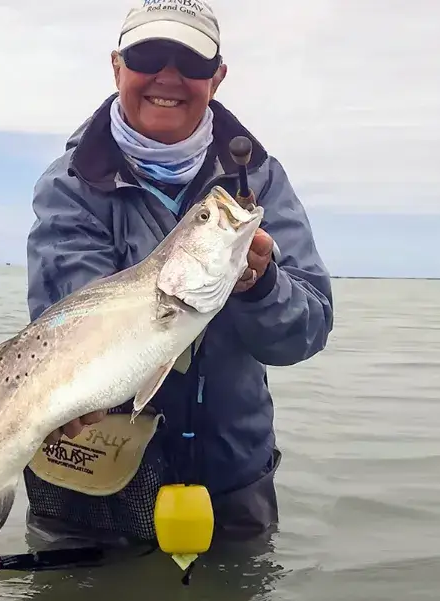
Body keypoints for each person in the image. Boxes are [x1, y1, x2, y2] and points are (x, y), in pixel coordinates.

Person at [22, 0, 334, 550]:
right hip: (92, 480)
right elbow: (73, 317)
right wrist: (83, 400)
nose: (168, 76)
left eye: (190, 63)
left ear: (217, 77)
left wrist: (261, 286)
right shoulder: (71, 183)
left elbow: (307, 330)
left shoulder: (259, 178)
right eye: (149, 55)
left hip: (231, 484)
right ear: (117, 65)